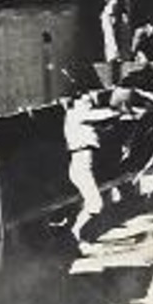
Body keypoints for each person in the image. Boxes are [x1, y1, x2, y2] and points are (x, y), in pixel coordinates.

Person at [63, 89, 120, 252]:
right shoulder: (75, 114)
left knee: (94, 203)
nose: (90, 104)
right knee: (95, 204)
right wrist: (118, 110)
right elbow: (101, 115)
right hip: (81, 166)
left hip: (84, 166)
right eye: (86, 101)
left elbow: (99, 124)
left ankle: (83, 238)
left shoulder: (79, 118)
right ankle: (75, 233)